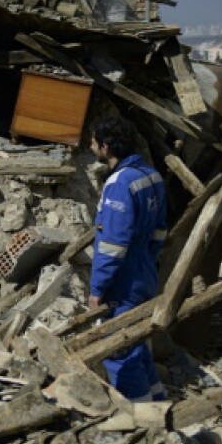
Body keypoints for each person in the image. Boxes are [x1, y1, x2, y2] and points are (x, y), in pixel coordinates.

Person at [87, 115, 168, 401]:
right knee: (138, 343)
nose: (91, 146)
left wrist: (97, 289)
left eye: (94, 142)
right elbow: (160, 232)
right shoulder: (151, 176)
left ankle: (140, 419)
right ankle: (157, 404)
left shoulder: (120, 183)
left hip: (124, 280)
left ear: (106, 147)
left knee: (119, 349)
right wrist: (147, 260)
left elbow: (112, 245)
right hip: (145, 270)